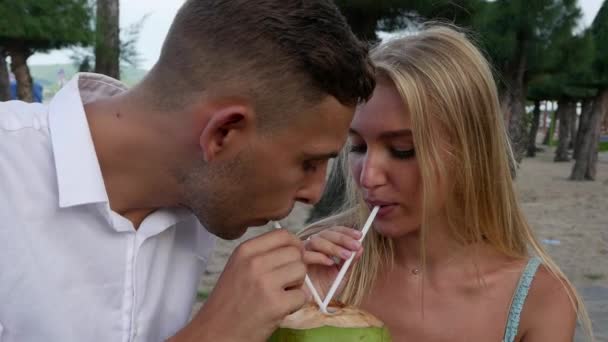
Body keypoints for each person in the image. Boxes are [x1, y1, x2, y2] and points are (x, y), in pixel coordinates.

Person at [0, 0, 375, 341]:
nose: (314, 191)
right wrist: (215, 332)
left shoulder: (200, 191)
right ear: (223, 134)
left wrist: (288, 324)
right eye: (308, 163)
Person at [303, 25, 594, 341]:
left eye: (403, 150)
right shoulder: (316, 270)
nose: (368, 177)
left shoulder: (540, 300)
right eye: (358, 147)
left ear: (469, 153)